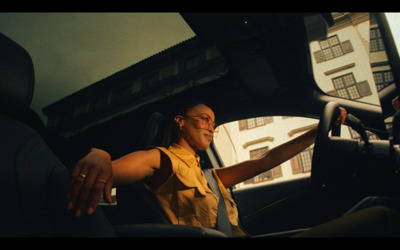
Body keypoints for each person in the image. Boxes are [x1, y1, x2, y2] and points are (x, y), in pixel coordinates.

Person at [66, 99, 399, 237]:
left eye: (214, 123)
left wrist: (316, 133)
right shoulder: (161, 159)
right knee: (383, 217)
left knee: (371, 205)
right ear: (180, 122)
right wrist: (100, 154)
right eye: (204, 120)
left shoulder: (210, 176)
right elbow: (114, 169)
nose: (212, 127)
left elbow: (266, 161)